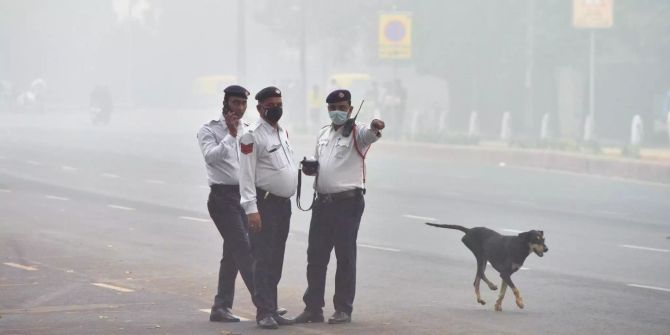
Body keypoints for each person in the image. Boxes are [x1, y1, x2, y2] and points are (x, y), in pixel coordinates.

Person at [294, 89, 385, 324]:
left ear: (351, 109)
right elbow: (320, 163)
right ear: (328, 109)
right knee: (315, 257)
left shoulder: (358, 132)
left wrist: (376, 125)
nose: (337, 112)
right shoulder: (323, 133)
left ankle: (343, 308)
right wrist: (310, 169)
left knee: (345, 256)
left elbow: (372, 133)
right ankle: (313, 308)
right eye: (333, 108)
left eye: (342, 108)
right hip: (322, 203)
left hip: (348, 203)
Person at [239, 86, 298, 329]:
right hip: (264, 205)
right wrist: (251, 209)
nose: (276, 108)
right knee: (263, 259)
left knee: (276, 259)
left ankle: (273, 308)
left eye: (279, 104)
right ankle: (263, 312)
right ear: (259, 108)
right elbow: (246, 175)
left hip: (282, 205)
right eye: (270, 105)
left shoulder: (281, 131)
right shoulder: (251, 136)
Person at [197, 85, 255, 323]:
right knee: (243, 249)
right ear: (225, 103)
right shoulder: (208, 129)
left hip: (245, 197)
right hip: (222, 198)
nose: (239, 108)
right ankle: (265, 302)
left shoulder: (249, 129)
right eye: (234, 103)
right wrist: (230, 135)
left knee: (232, 253)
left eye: (242, 104)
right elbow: (211, 157)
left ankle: (220, 307)